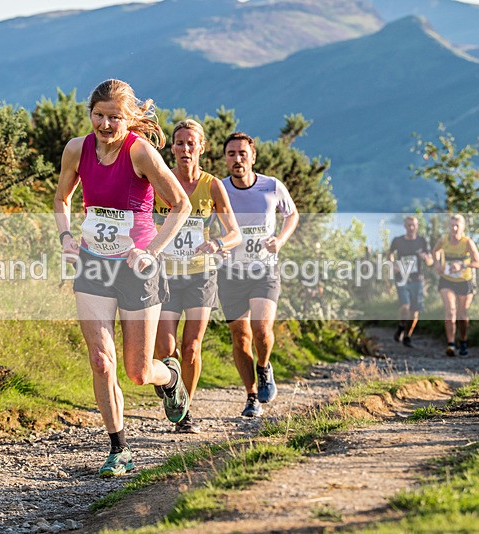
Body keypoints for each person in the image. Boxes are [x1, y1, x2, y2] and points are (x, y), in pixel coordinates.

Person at [53, 79, 192, 477]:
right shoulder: (77, 149)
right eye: (99, 115)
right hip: (94, 263)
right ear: (90, 114)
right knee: (100, 359)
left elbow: (179, 205)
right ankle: (119, 448)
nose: (105, 124)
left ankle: (170, 377)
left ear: (128, 118)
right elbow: (62, 198)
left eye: (115, 117)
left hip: (136, 268)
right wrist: (66, 237)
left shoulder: (141, 151)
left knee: (138, 371)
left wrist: (151, 251)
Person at [153, 120, 241, 433]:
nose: (186, 149)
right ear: (172, 147)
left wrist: (217, 243)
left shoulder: (212, 185)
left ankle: (184, 410)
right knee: (165, 350)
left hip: (201, 276)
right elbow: (140, 220)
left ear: (201, 148)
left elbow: (234, 233)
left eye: (192, 144)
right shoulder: (160, 181)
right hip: (165, 276)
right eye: (180, 143)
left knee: (191, 348)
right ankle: (171, 389)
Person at [218, 131, 299, 417]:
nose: (238, 159)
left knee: (262, 330)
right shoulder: (220, 189)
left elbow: (292, 215)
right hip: (230, 273)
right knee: (240, 337)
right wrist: (219, 246)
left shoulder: (271, 186)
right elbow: (203, 219)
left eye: (243, 153)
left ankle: (264, 367)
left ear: (253, 157)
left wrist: (280, 240)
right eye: (232, 154)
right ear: (225, 159)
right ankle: (251, 395)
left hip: (264, 269)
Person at [432, 214, 479, 357]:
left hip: (464, 280)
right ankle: (450, 344)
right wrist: (437, 265)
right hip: (447, 279)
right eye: (452, 225)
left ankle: (463, 341)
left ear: (462, 227)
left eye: (457, 225)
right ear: (448, 227)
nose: (454, 228)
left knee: (462, 314)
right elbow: (435, 252)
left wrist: (462, 264)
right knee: (450, 310)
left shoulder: (467, 242)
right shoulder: (444, 240)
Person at [388, 216, 433, 347]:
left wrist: (426, 258)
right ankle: (401, 325)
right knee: (405, 305)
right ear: (405, 226)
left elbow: (430, 261)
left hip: (417, 279)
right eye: (408, 225)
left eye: (413, 225)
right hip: (402, 278)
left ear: (417, 226)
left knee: (415, 311)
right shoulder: (398, 241)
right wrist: (393, 265)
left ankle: (407, 336)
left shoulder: (422, 241)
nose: (411, 228)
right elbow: (390, 255)